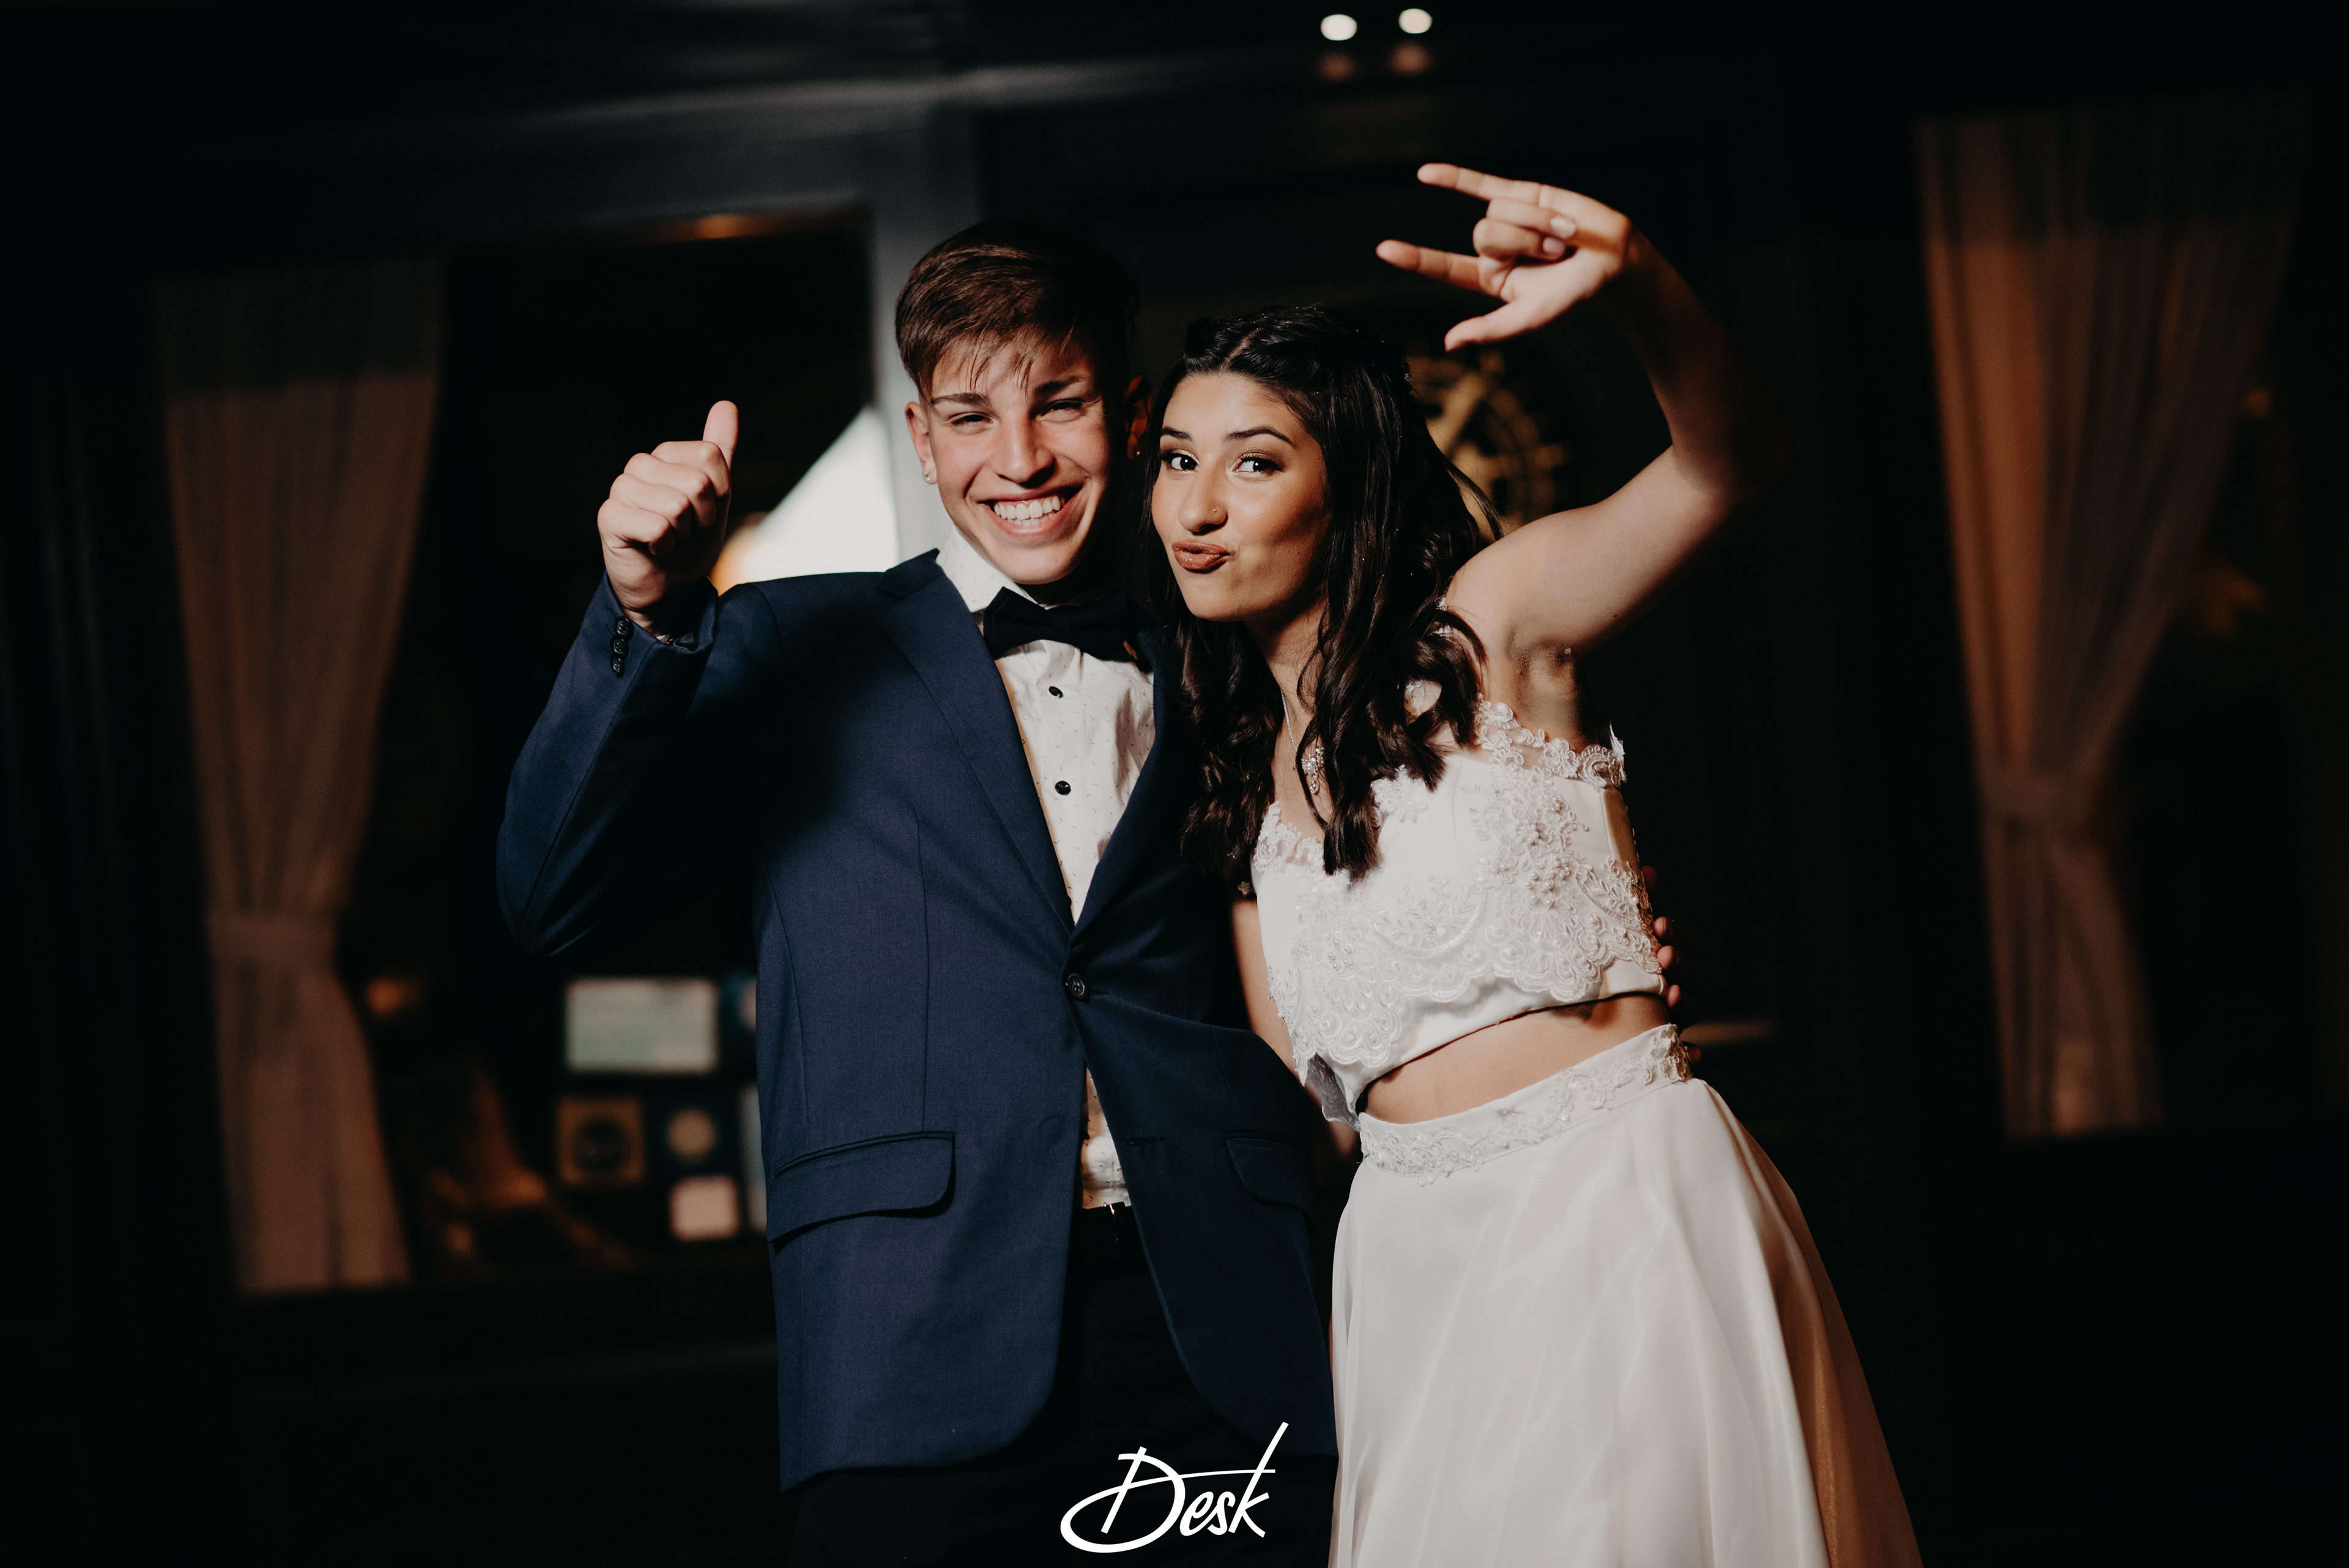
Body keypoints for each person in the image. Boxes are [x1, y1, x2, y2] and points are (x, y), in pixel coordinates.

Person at [497, 221, 1340, 1563]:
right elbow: (553, 896)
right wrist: (644, 612)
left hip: (1221, 1329)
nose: (1020, 457)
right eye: (970, 416)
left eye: (1059, 402)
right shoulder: (792, 645)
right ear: (920, 436)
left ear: (1128, 416)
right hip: (910, 1337)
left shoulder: (1226, 655)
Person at [1148, 165, 1924, 1567]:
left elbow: (1732, 462)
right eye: (1174, 458)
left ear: (1346, 484)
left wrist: (1636, 282)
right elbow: (1315, 1116)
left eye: (1254, 461)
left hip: (1610, 1208)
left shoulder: (1487, 623)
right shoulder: (1246, 790)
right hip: (1409, 1273)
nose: (1197, 505)